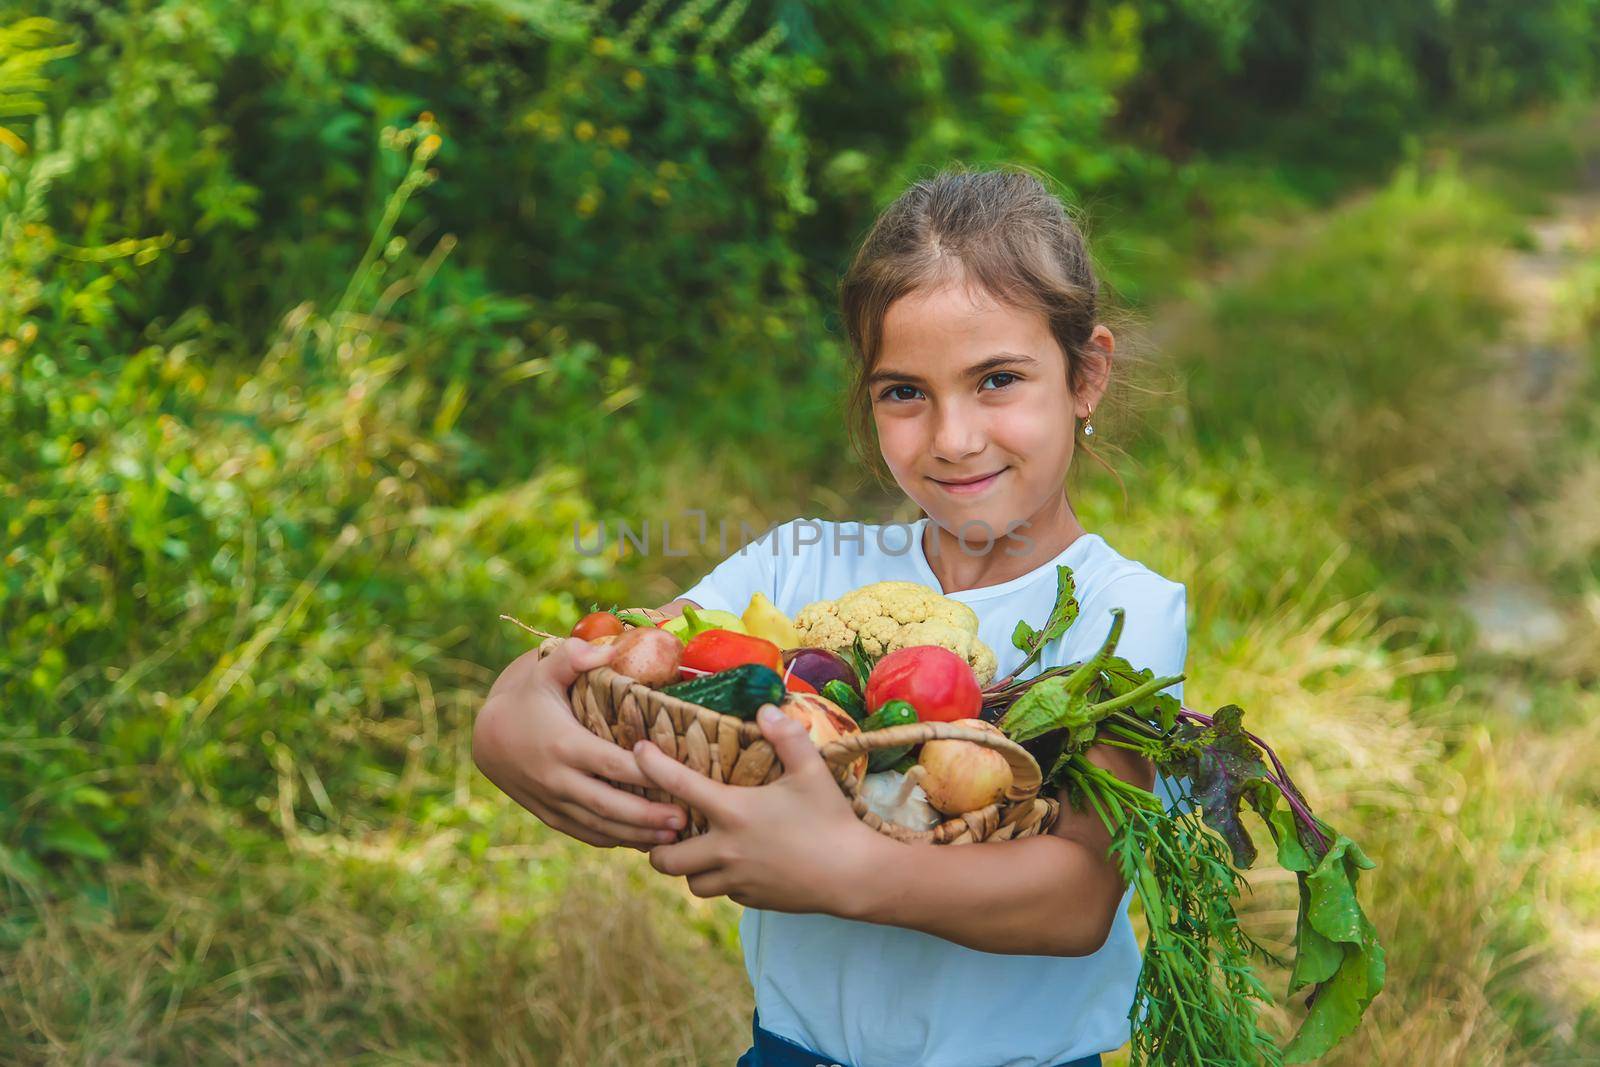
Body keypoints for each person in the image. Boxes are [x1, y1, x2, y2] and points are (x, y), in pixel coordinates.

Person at [473, 167, 1187, 1067]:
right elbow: (630, 648)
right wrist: (511, 710)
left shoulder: (1126, 616)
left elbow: (1079, 896)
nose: (953, 437)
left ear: (1086, 375)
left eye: (997, 379)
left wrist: (845, 871)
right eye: (904, 392)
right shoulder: (800, 562)